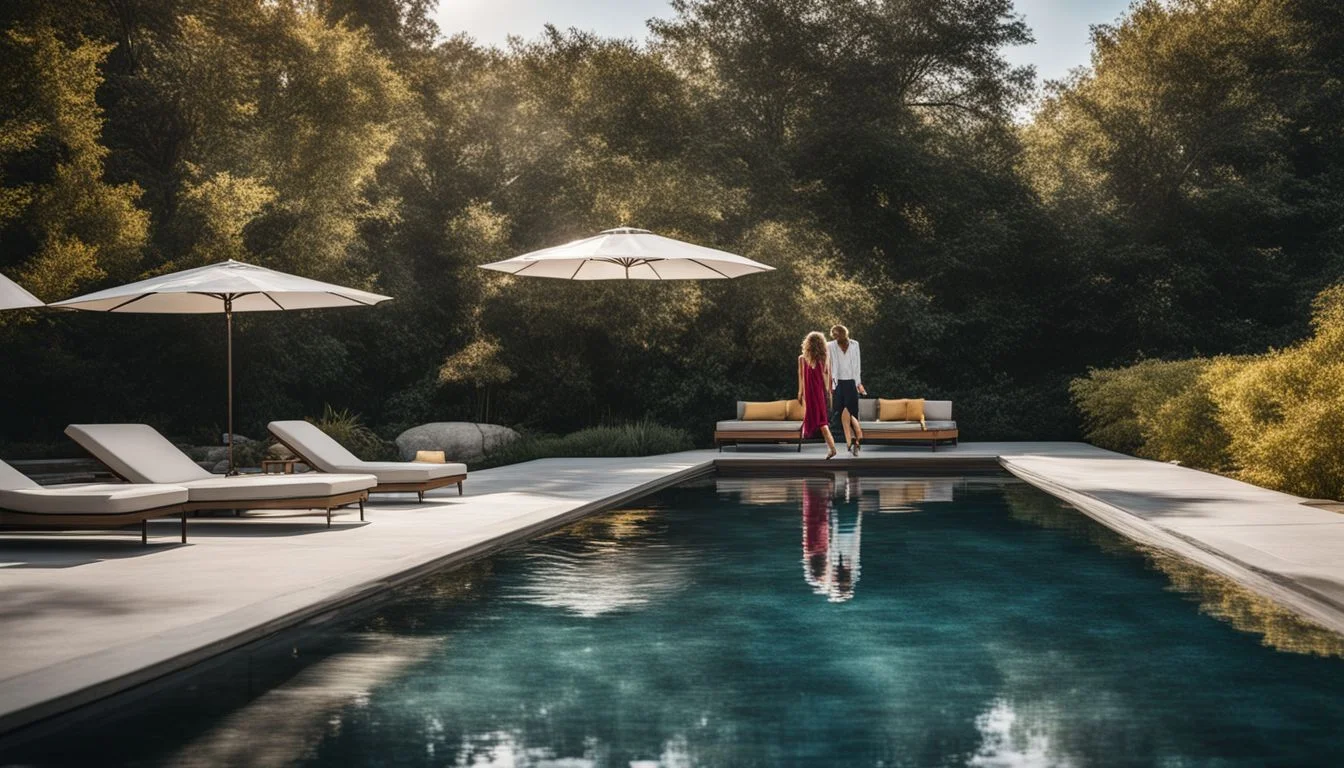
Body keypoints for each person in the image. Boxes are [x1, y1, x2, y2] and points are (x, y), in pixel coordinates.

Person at [798, 331, 839, 459]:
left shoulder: (806, 359)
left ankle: (832, 448)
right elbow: (825, 376)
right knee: (820, 420)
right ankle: (832, 448)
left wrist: (800, 392)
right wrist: (828, 392)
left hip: (811, 393)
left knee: (821, 420)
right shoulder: (809, 358)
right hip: (817, 393)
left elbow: (802, 377)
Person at [827, 324, 865, 455]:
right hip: (838, 383)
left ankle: (855, 442)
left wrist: (859, 383)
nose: (835, 337)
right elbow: (830, 365)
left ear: (844, 333)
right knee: (841, 412)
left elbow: (857, 364)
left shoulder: (855, 344)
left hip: (851, 382)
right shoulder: (830, 345)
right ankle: (850, 442)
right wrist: (831, 386)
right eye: (834, 335)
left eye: (837, 334)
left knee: (852, 413)